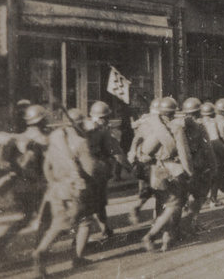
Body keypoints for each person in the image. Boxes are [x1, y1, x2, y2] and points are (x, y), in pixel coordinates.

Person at [32, 109, 98, 277]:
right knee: (77, 222)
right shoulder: (80, 142)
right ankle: (43, 252)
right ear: (79, 124)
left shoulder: (54, 140)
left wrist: (54, 183)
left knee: (71, 221)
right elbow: (90, 170)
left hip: (57, 188)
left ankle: (75, 257)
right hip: (74, 189)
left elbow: (47, 167)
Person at [0, 104, 50, 258]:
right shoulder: (42, 139)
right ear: (41, 120)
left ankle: (2, 241)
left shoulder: (20, 137)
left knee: (26, 218)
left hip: (20, 186)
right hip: (35, 186)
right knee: (45, 218)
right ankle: (39, 251)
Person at [141, 100, 194, 252]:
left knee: (161, 203)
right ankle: (151, 235)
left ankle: (167, 240)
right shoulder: (177, 128)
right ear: (173, 113)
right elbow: (184, 153)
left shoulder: (153, 127)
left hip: (157, 168)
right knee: (175, 204)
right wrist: (189, 172)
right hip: (172, 169)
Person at [127, 97, 178, 224]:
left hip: (142, 163)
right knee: (161, 193)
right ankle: (158, 219)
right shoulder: (160, 125)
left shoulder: (143, 123)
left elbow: (135, 141)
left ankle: (138, 207)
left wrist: (134, 156)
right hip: (156, 163)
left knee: (147, 190)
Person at [84, 101, 130, 239]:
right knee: (98, 201)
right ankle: (83, 237)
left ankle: (105, 229)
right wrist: (129, 167)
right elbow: (117, 153)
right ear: (104, 118)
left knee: (89, 202)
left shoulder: (80, 127)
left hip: (80, 171)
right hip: (96, 171)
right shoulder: (102, 132)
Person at [178, 97, 218, 235]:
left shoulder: (179, 125)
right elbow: (208, 148)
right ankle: (192, 224)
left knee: (180, 198)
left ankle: (177, 228)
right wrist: (213, 166)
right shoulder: (200, 127)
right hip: (199, 167)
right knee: (199, 197)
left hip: (182, 166)